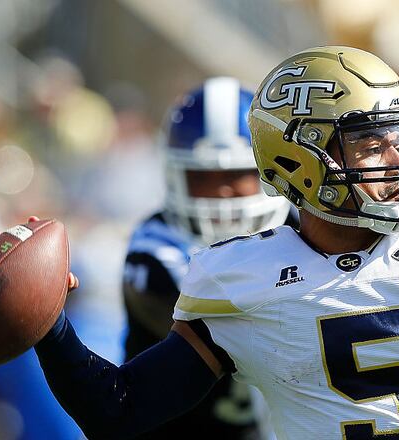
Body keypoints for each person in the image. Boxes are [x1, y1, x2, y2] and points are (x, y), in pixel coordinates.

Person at [0, 46, 399, 439]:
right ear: (300, 157)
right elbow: (120, 413)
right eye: (369, 143)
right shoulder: (236, 278)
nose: (397, 160)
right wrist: (49, 327)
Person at [120, 76, 290, 439]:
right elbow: (229, 313)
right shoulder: (153, 249)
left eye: (238, 175)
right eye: (205, 178)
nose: (223, 193)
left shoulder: (301, 224)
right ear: (175, 176)